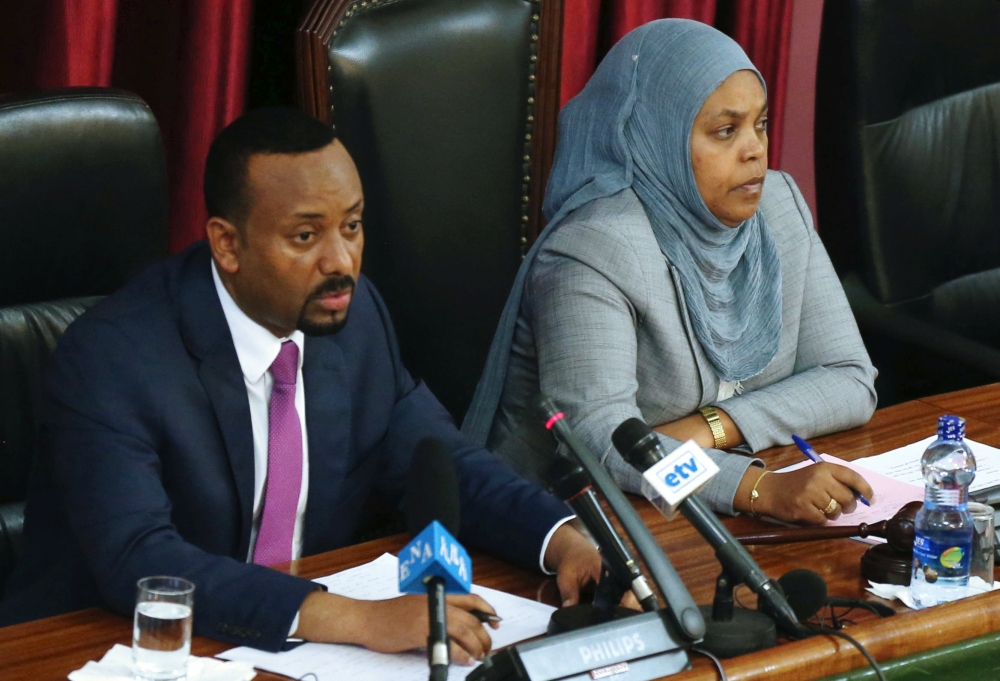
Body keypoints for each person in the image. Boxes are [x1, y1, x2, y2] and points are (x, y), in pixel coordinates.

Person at [0, 108, 602, 663]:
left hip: (293, 653)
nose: (342, 261)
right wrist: (357, 620)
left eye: (353, 225)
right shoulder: (112, 357)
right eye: (305, 237)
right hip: (100, 649)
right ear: (227, 244)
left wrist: (565, 543)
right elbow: (140, 559)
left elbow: (438, 460)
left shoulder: (352, 314)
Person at [463, 20, 878, 526]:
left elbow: (850, 380)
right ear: (657, 138)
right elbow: (600, 442)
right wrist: (756, 487)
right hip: (565, 533)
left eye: (760, 124)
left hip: (689, 515)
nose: (754, 150)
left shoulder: (778, 209)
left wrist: (711, 428)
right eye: (725, 131)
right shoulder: (593, 249)